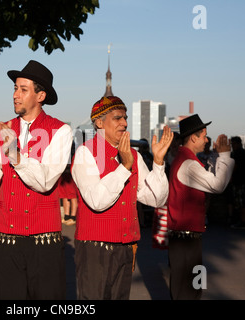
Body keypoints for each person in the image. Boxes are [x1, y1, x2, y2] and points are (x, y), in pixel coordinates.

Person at [0, 60, 73, 299]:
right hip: (6, 239)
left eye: (23, 89)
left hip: (45, 241)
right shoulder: (0, 129)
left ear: (40, 95)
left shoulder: (61, 131)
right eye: (14, 88)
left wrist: (13, 153)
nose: (15, 95)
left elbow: (45, 181)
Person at [70, 96, 173, 300]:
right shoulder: (86, 152)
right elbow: (96, 201)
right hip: (95, 247)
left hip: (126, 247)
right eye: (117, 118)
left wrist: (159, 164)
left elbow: (156, 199)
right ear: (99, 123)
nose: (124, 123)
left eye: (125, 117)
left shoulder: (133, 155)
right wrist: (124, 167)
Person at [167, 114, 234, 300]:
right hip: (186, 239)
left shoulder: (186, 160)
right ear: (194, 137)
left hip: (188, 237)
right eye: (204, 136)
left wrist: (216, 157)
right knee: (188, 292)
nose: (206, 140)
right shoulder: (188, 164)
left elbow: (210, 180)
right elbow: (217, 185)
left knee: (193, 289)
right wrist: (225, 155)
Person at [229, 136, 245, 229]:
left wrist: (230, 177)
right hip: (243, 180)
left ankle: (242, 222)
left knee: (240, 203)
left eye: (233, 144)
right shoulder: (244, 153)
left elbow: (234, 167)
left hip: (239, 181)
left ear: (238, 144)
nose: (232, 146)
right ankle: (243, 221)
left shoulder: (237, 154)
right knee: (242, 202)